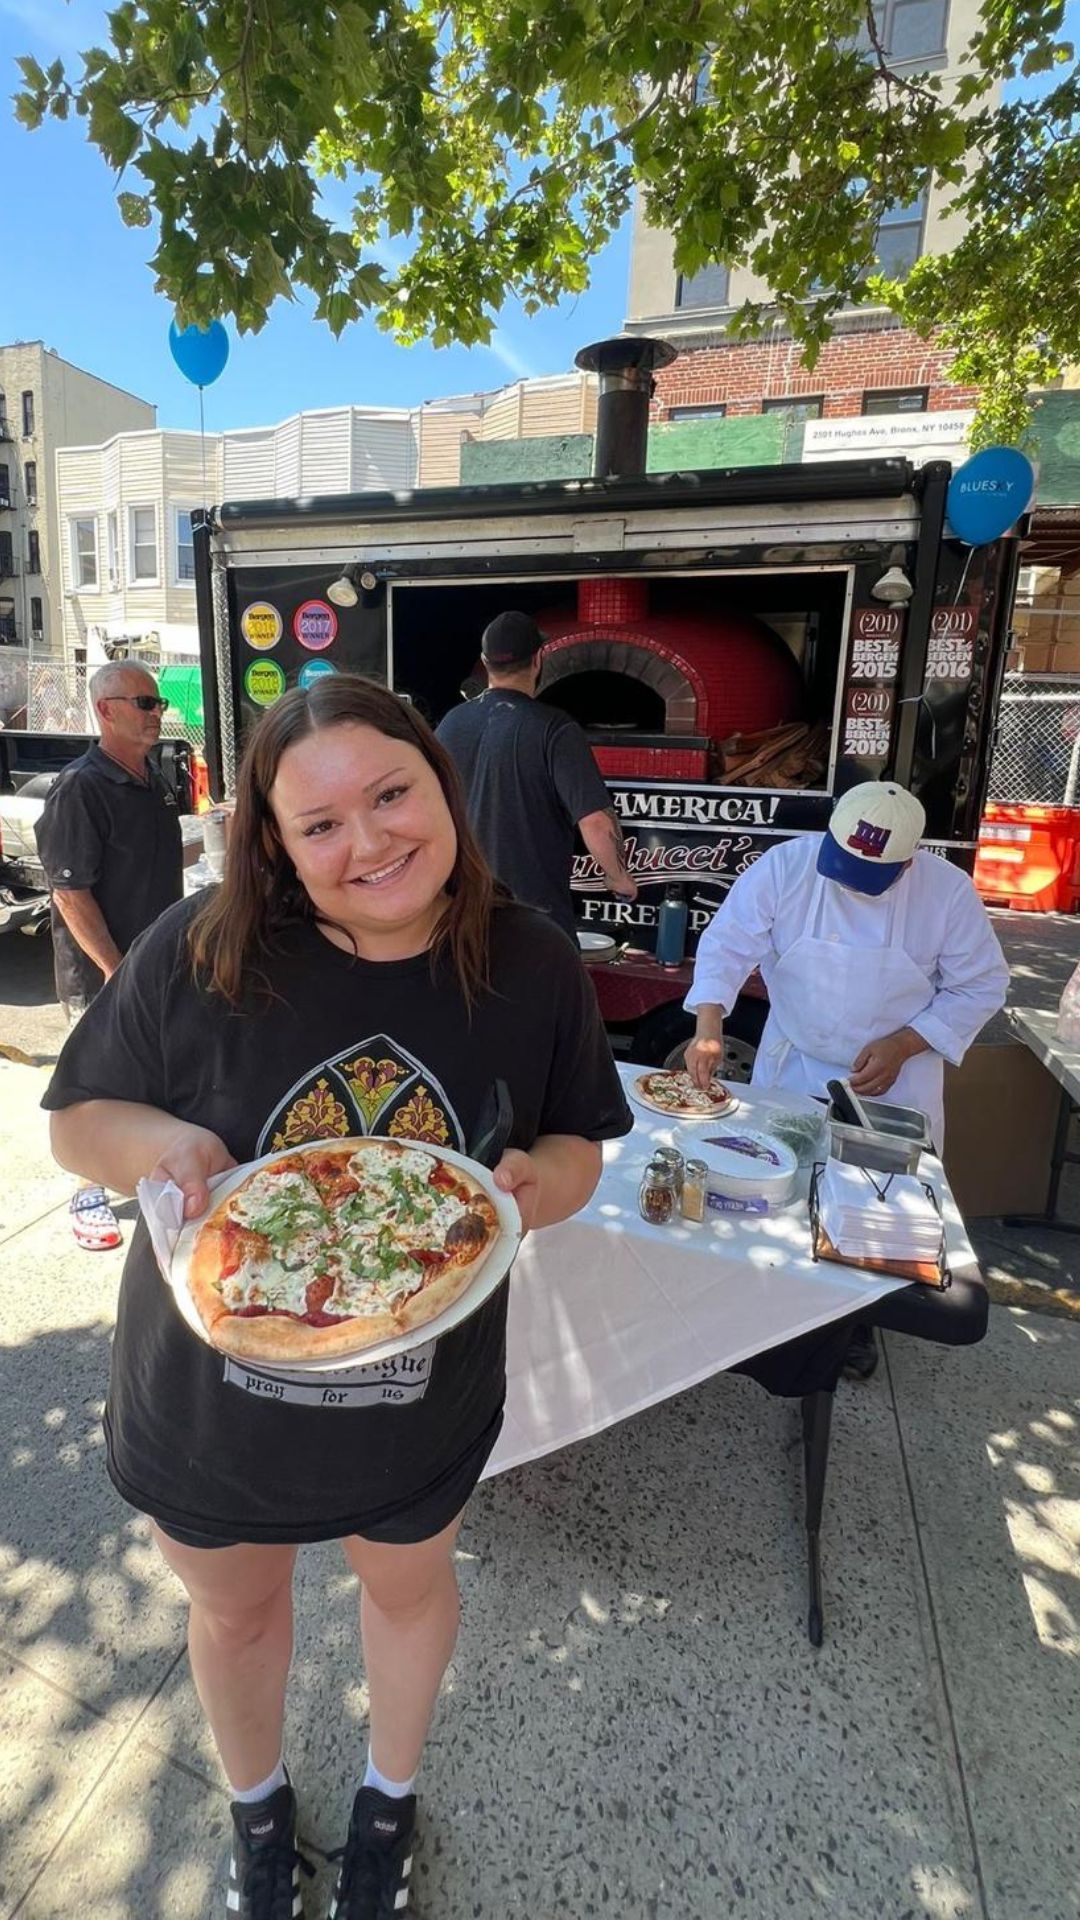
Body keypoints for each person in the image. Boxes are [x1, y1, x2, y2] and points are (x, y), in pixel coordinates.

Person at [43, 675, 632, 1920]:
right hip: (206, 1397)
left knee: (407, 1591)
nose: (368, 841)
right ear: (272, 840)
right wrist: (163, 1147)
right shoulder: (201, 945)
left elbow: (584, 1139)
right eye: (319, 824)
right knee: (237, 1614)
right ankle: (258, 1810)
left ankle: (388, 1794)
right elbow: (78, 1122)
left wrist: (542, 1185)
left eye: (391, 794)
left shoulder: (529, 960)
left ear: (443, 784)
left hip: (419, 1397)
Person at [684, 780, 1008, 1377]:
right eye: (845, 862)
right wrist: (710, 1022)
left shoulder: (946, 893)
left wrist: (907, 1043)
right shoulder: (786, 866)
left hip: (893, 1078)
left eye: (873, 872)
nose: (852, 880)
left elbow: (982, 984)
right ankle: (770, 1306)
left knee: (870, 1209)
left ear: (909, 860)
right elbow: (728, 944)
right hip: (794, 1059)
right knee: (778, 1189)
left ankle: (853, 1325)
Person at [35, 658, 181, 1250]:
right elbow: (69, 892)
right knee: (96, 1089)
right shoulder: (81, 788)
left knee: (149, 1080)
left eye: (158, 703)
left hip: (153, 968)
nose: (157, 714)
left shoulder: (152, 778)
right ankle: (86, 1196)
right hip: (104, 977)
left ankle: (143, 1170)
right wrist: (116, 971)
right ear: (106, 710)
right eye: (144, 703)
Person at [436, 609, 637, 943]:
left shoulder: (450, 724)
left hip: (464, 917)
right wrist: (618, 877)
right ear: (538, 659)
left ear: (485, 662)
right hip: (534, 925)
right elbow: (596, 822)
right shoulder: (555, 729)